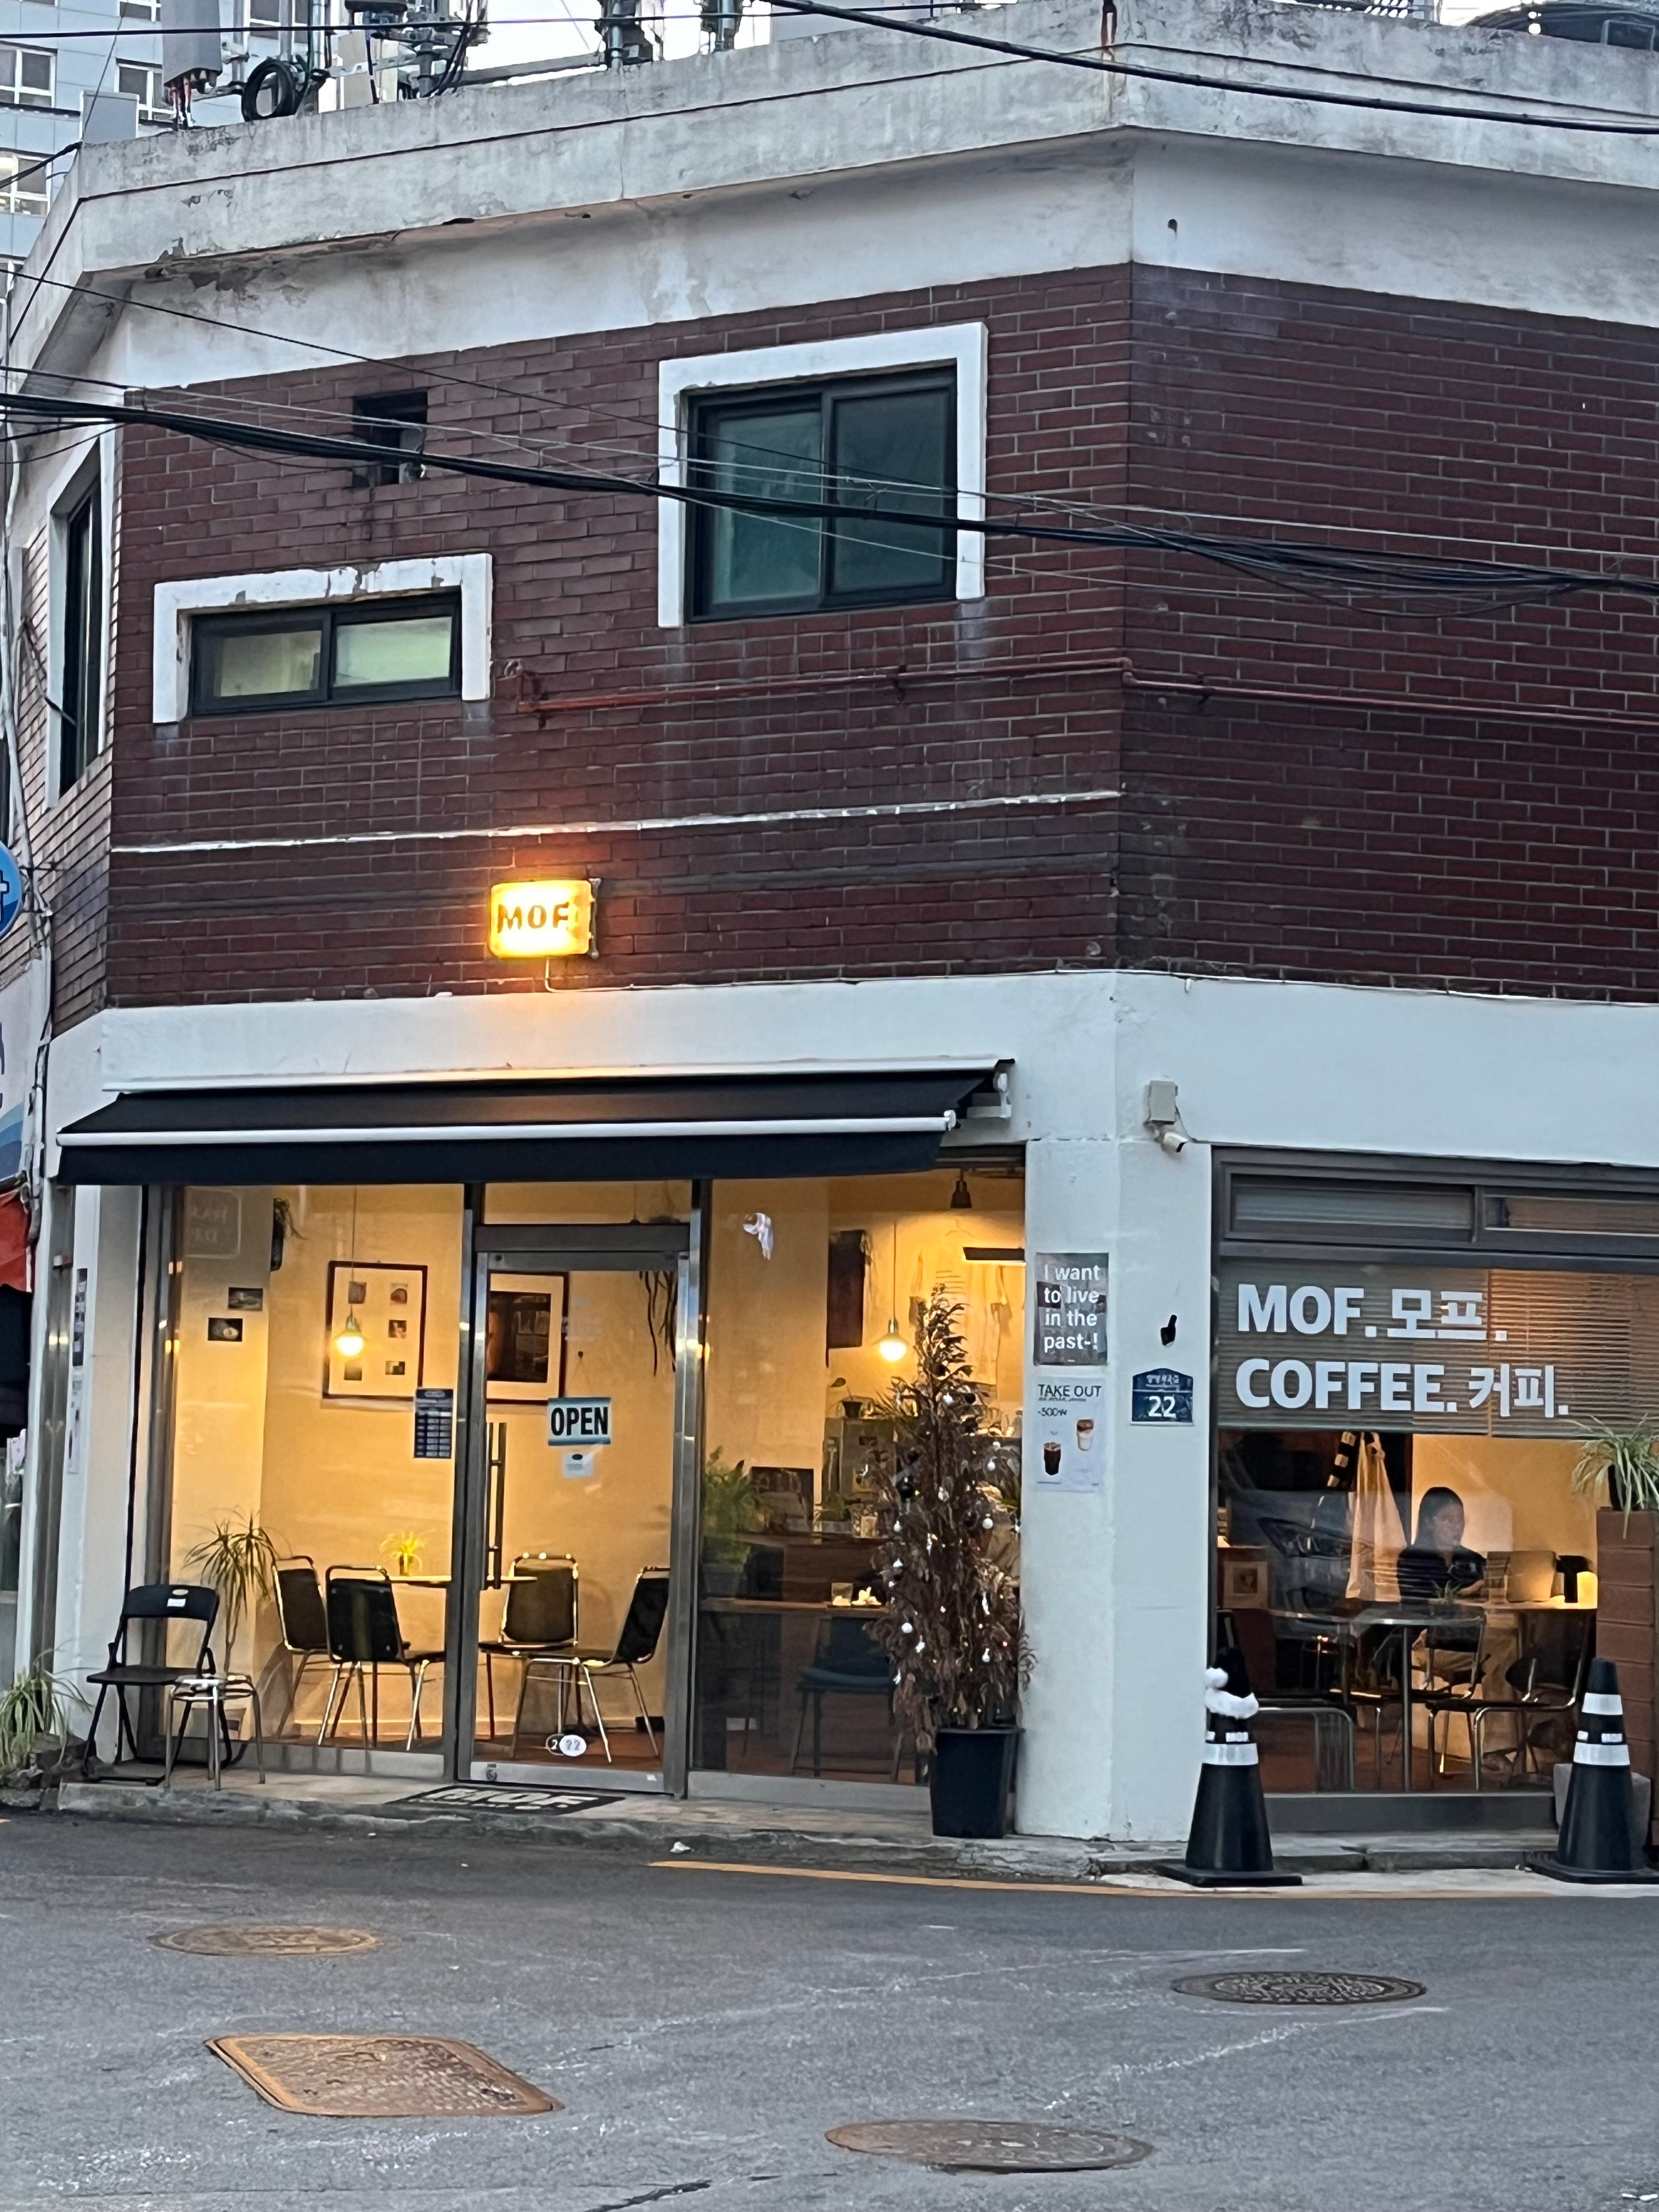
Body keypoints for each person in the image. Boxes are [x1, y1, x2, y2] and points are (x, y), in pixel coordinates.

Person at [1397, 1487, 1486, 1603]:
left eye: (1460, 1520)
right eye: (1449, 1520)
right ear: (1429, 1522)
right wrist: (1466, 1593)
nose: (1457, 1527)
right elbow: (1420, 1604)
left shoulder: (1473, 1560)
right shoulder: (1412, 1560)